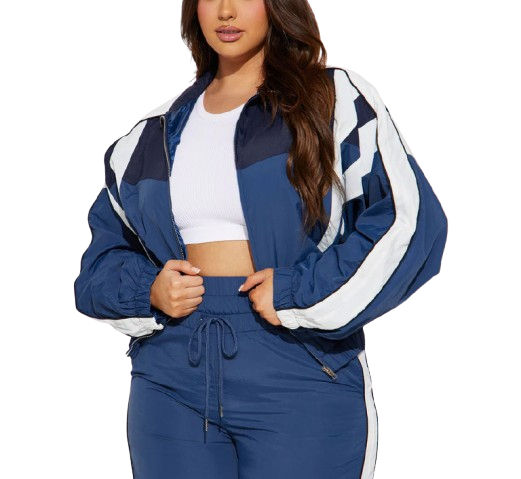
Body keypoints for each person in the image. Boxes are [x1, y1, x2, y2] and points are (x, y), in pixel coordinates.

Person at [73, 0, 448, 477]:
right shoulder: (150, 135)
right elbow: (99, 266)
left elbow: (409, 220)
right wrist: (149, 290)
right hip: (170, 376)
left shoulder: (332, 100)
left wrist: (298, 292)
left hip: (296, 366)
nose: (226, 11)